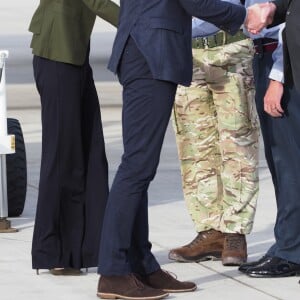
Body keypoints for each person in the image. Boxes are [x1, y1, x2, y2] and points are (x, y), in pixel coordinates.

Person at [96, 1, 249, 299]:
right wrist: (242, 15)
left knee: (141, 168)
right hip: (149, 52)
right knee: (136, 167)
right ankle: (113, 272)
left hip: (146, 49)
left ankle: (141, 264)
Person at [29, 0, 119, 275]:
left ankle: (85, 249)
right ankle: (54, 251)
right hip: (57, 55)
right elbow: (97, 1)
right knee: (63, 155)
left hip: (75, 55)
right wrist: (140, 22)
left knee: (90, 151)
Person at [169, 0, 259, 268]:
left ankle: (235, 231)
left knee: (238, 144)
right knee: (194, 146)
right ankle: (210, 230)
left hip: (230, 48)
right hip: (187, 53)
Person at [239, 0, 300, 277]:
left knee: (288, 164)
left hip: (283, 61)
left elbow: (293, 16)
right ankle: (285, 245)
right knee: (280, 163)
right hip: (263, 55)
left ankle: (290, 250)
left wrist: (279, 77)